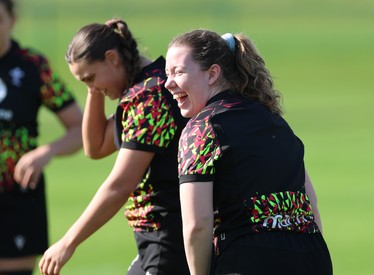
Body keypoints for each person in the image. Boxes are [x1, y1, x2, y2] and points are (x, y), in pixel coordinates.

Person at [164, 29, 333, 275]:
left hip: (248, 259)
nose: (168, 83)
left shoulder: (202, 128)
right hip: (312, 256)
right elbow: (310, 205)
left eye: (178, 72)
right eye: (167, 74)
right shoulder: (275, 120)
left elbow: (197, 225)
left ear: (212, 74)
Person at [38, 18, 190, 275]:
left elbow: (120, 185)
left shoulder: (149, 100)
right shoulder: (144, 87)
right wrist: (94, 88)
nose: (92, 88)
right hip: (160, 239)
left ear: (112, 58)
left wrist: (68, 242)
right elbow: (95, 146)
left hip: (169, 238)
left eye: (91, 78)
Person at [0, 0, 83, 274]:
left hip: (17, 195)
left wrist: (46, 151)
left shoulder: (33, 67)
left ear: (13, 19)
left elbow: (79, 129)